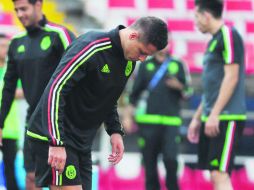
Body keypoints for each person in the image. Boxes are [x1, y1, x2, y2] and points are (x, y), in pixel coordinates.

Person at [26, 16, 168, 190]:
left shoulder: (129, 63)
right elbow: (56, 89)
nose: (143, 59)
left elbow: (109, 97)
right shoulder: (91, 46)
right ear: (132, 36)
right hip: (53, 134)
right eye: (142, 52)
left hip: (81, 141)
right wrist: (56, 142)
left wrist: (115, 131)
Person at [0, 0, 75, 189]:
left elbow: (80, 73)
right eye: (16, 10)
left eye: (24, 8)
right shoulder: (16, 43)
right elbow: (8, 88)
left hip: (60, 124)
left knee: (58, 182)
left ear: (39, 5)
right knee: (31, 177)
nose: (19, 14)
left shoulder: (60, 35)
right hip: (32, 122)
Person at [187, 0, 246, 190]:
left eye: (196, 16)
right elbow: (212, 88)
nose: (195, 22)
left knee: (219, 174)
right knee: (215, 174)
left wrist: (215, 114)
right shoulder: (213, 41)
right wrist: (197, 118)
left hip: (226, 116)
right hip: (213, 115)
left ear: (206, 15)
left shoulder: (228, 35)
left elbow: (232, 77)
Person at [124, 45, 190, 190]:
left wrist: (178, 86)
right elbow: (134, 94)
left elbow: (188, 93)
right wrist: (127, 116)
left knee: (171, 160)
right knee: (149, 163)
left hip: (171, 122)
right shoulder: (145, 65)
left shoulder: (178, 65)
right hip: (148, 122)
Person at [0, 33, 24, 190]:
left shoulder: (13, 69)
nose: (5, 50)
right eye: (2, 46)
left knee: (10, 172)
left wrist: (8, 92)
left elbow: (25, 90)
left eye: (7, 47)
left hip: (10, 129)